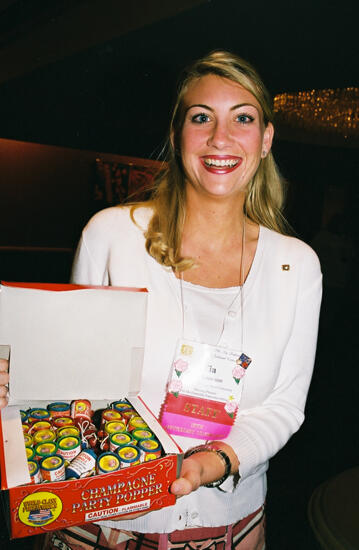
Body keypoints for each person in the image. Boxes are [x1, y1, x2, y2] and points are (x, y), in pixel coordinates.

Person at [0, 51, 322, 550]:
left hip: (227, 525)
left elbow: (284, 405)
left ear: (266, 141)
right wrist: (16, 377)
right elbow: (68, 379)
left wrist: (217, 461)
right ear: (177, 136)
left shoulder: (297, 265)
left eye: (243, 118)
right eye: (201, 118)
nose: (221, 137)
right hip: (101, 519)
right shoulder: (112, 234)